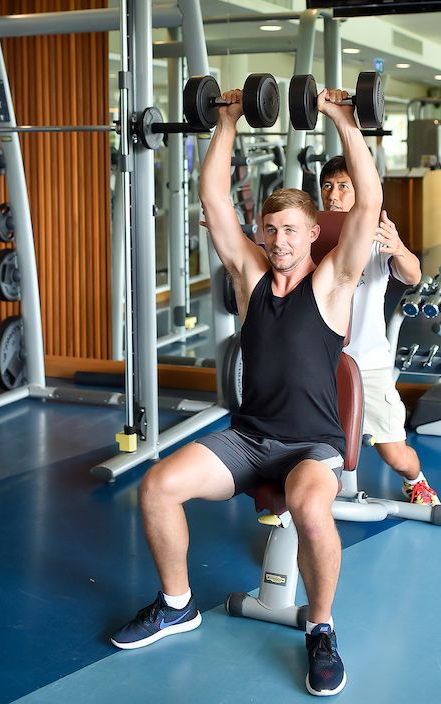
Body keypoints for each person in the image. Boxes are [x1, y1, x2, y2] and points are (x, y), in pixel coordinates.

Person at [110, 85, 383, 698]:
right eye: (270, 229)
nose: (280, 240)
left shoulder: (333, 283)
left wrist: (344, 120)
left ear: (314, 234)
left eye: (291, 230)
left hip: (311, 446)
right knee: (156, 487)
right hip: (248, 440)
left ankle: (320, 628)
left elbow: (368, 203)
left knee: (310, 508)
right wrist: (227, 120)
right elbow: (212, 198)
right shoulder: (250, 277)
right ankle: (177, 604)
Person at [319, 157, 440, 506]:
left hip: (367, 365)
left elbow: (413, 274)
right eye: (328, 186)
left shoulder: (375, 237)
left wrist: (398, 248)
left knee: (395, 454)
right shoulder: (313, 235)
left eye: (344, 187)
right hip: (320, 364)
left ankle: (416, 481)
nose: (333, 195)